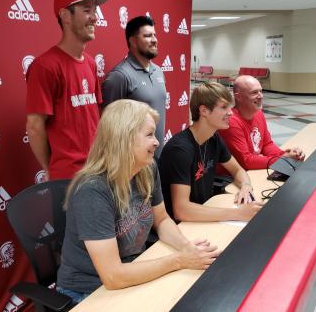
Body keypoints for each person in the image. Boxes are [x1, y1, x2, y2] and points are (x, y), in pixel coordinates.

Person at [56, 100, 220, 305]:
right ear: (124, 138)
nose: (157, 142)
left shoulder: (147, 168)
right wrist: (179, 260)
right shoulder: (92, 190)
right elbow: (113, 276)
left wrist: (186, 248)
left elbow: (161, 219)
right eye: (149, 134)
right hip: (89, 291)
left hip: (134, 269)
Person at [25, 0, 108, 180]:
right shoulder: (45, 66)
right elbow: (34, 126)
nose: (95, 17)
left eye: (95, 11)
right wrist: (52, 169)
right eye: (87, 10)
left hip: (98, 169)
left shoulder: (91, 63)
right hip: (67, 179)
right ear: (65, 16)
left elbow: (95, 116)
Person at [158, 82, 263, 222]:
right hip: (182, 225)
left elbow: (237, 170)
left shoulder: (214, 137)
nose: (231, 112)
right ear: (204, 111)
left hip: (204, 213)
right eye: (224, 107)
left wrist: (246, 186)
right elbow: (181, 210)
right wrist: (238, 214)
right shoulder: (180, 150)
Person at [102, 16, 167, 157]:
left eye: (155, 35)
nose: (155, 40)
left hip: (157, 158)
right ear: (133, 41)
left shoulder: (159, 71)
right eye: (148, 36)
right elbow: (109, 128)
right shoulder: (119, 76)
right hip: (131, 163)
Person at [219, 75, 305, 170]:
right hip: (232, 178)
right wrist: (282, 159)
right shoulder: (231, 121)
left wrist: (285, 154)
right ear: (238, 97)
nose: (261, 96)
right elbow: (246, 161)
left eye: (261, 91)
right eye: (254, 92)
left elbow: (267, 144)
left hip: (251, 170)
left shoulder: (258, 113)